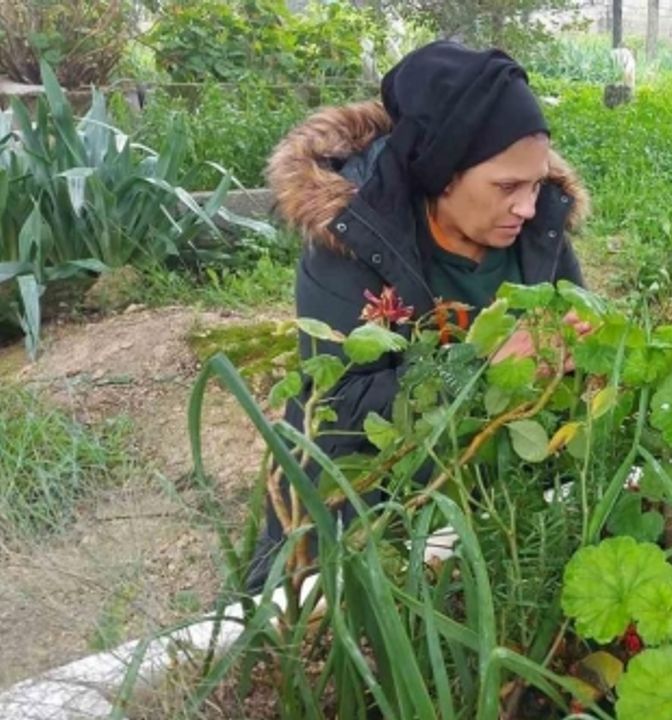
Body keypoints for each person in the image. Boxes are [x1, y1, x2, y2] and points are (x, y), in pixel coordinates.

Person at [247, 41, 590, 590]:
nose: (528, 207)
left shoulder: (540, 229)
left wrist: (581, 353)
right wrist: (479, 363)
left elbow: (572, 339)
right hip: (373, 498)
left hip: (496, 487)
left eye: (536, 183)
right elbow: (339, 407)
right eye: (507, 187)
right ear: (440, 173)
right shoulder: (353, 238)